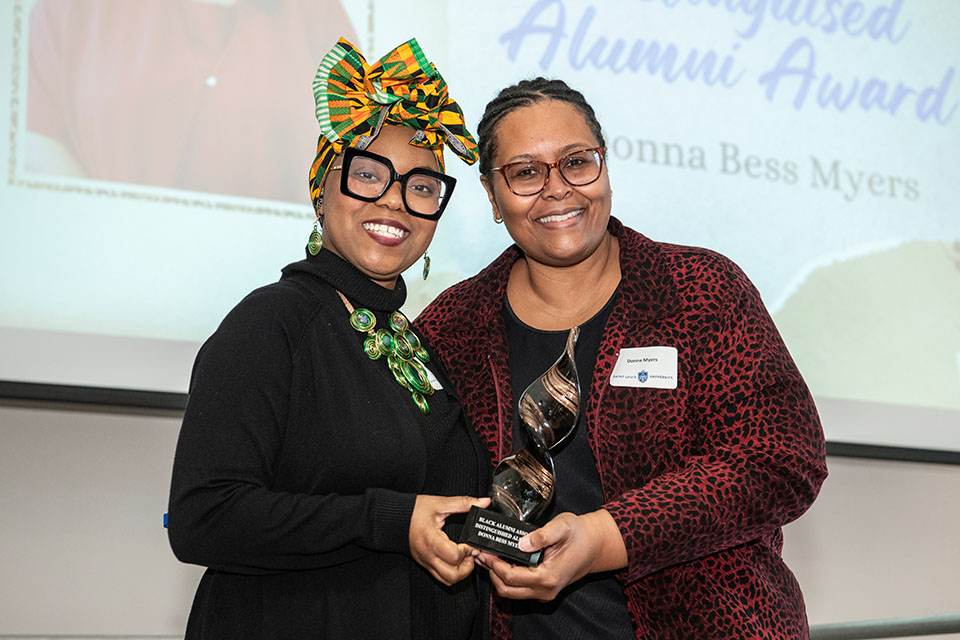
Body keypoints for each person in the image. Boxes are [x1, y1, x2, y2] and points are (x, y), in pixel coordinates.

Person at [415, 78, 829, 639]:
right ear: (492, 196)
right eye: (525, 172)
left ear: (605, 167)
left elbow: (781, 460)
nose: (557, 189)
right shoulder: (451, 327)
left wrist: (607, 538)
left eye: (577, 161)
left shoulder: (701, 291)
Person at [167, 38, 491, 639]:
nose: (395, 200)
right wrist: (387, 519)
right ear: (322, 188)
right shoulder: (270, 324)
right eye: (368, 173)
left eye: (422, 185)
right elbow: (202, 517)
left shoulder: (415, 345)